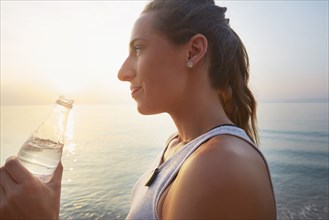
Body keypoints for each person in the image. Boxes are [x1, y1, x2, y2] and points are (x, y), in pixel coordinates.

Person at [0, 0, 276, 219]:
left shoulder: (219, 166)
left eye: (139, 49)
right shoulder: (179, 146)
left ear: (193, 52)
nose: (122, 72)